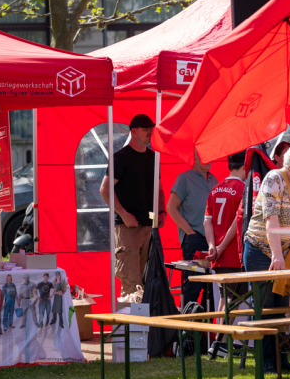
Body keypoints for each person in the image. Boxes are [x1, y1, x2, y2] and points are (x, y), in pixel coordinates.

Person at [245, 142, 290, 373]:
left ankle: (282, 359)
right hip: (260, 250)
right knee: (266, 307)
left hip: (285, 252)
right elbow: (271, 220)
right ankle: (266, 361)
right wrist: (276, 256)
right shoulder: (274, 179)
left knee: (283, 306)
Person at [100, 114, 167, 298]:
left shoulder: (153, 157)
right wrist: (123, 214)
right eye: (146, 129)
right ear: (134, 131)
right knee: (131, 282)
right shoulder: (121, 157)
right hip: (127, 227)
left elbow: (159, 190)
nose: (149, 133)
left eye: (151, 129)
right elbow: (105, 190)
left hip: (149, 226)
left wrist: (162, 211)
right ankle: (129, 327)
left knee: (148, 281)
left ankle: (143, 326)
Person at [204, 151, 247, 359]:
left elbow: (207, 220)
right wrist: (221, 248)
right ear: (245, 166)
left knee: (224, 298)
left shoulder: (215, 189)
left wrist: (212, 245)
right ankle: (220, 342)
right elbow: (237, 223)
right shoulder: (242, 189)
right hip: (232, 253)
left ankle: (219, 341)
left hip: (219, 254)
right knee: (233, 300)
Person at [168, 150, 218, 309]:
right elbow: (171, 207)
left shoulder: (213, 179)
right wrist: (190, 232)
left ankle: (206, 330)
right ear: (195, 157)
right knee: (193, 284)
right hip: (194, 239)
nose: (210, 159)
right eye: (206, 155)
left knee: (211, 287)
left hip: (212, 240)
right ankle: (188, 330)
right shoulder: (184, 178)